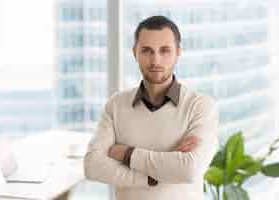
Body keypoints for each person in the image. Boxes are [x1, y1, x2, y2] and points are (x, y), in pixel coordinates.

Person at [84, 15, 219, 200]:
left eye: (165, 51)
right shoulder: (116, 105)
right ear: (135, 52)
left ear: (178, 52)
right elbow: (92, 166)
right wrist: (151, 177)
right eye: (147, 50)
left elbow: (189, 169)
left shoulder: (201, 106)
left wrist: (126, 154)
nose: (155, 61)